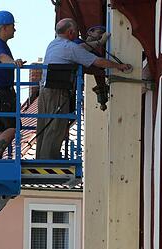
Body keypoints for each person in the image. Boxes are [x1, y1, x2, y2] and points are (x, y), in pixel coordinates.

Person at [36, 18, 133, 160]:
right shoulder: (70, 47)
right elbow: (97, 61)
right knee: (56, 125)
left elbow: (81, 48)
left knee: (44, 124)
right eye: (75, 32)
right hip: (57, 89)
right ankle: (49, 159)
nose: (76, 35)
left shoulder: (53, 44)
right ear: (70, 32)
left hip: (45, 90)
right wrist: (120, 66)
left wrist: (99, 43)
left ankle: (41, 157)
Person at [0, 10, 26, 159]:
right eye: (12, 25)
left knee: (0, 127)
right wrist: (13, 63)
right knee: (13, 125)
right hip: (0, 91)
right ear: (5, 27)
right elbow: (1, 57)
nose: (15, 29)